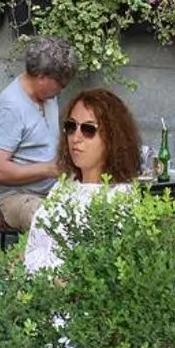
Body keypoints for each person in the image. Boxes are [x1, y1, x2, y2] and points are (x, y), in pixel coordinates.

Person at [24, 87, 143, 273]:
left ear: (112, 138)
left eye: (88, 129)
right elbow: (36, 247)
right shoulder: (64, 186)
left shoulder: (121, 199)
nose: (76, 137)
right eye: (71, 127)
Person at [0, 36, 78, 232]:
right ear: (42, 76)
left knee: (94, 196)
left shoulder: (47, 97)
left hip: (48, 191)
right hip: (7, 199)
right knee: (43, 215)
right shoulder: (11, 107)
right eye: (60, 84)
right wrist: (48, 169)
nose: (62, 89)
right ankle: (33, 262)